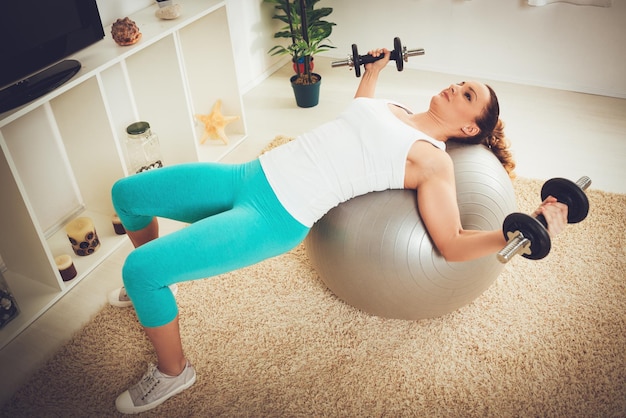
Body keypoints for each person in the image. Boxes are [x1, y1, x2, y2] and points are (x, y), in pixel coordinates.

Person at [110, 49, 568, 414]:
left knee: (139, 270)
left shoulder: (433, 160)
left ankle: (174, 371)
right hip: (248, 176)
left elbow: (451, 242)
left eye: (467, 95)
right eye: (460, 83)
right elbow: (359, 117)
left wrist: (514, 233)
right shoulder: (394, 106)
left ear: (470, 126)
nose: (455, 87)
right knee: (126, 194)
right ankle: (157, 285)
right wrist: (371, 72)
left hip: (275, 217)